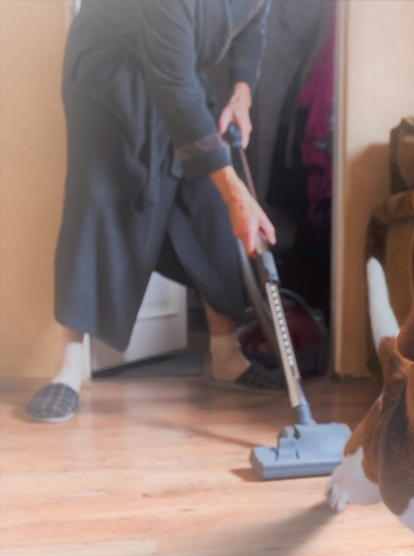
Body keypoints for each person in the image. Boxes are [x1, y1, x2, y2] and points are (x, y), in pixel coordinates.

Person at [27, 0, 284, 423]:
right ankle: (68, 369)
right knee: (99, 197)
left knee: (207, 200)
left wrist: (242, 93)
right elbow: (174, 85)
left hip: (174, 64)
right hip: (109, 69)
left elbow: (253, 27)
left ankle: (226, 355)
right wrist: (236, 195)